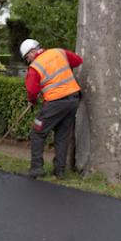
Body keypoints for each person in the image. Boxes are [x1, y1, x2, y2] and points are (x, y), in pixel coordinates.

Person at [20, 38, 83, 178]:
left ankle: (36, 168)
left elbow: (31, 90)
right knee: (61, 135)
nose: (28, 60)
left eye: (27, 57)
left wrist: (32, 100)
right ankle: (59, 171)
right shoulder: (59, 52)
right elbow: (78, 61)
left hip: (55, 102)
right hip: (73, 100)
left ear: (32, 51)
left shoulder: (35, 66)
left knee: (37, 132)